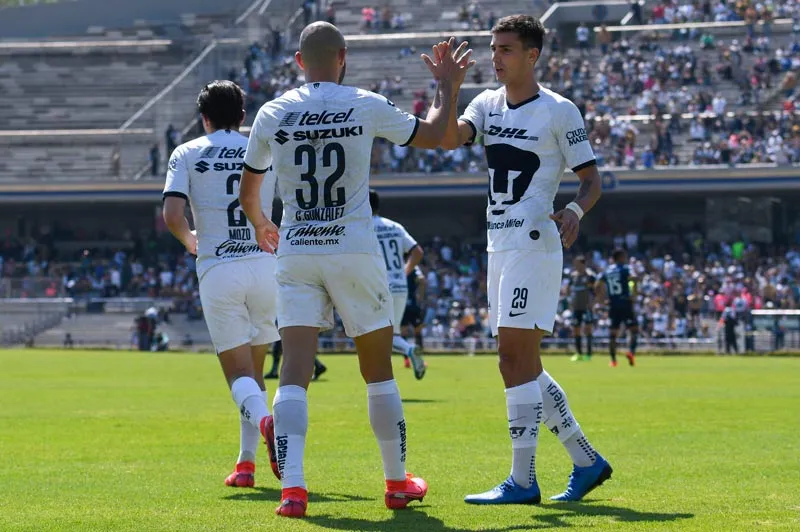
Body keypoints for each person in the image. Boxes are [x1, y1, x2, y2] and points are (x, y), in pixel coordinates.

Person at [238, 21, 472, 518]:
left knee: (295, 372)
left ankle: (294, 489)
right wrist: (447, 87)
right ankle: (395, 483)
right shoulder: (364, 102)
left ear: (299, 61)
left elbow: (249, 187)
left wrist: (262, 223)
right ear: (343, 57)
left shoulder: (273, 111)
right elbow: (436, 135)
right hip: (353, 247)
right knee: (378, 371)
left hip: (297, 248)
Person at [437, 15, 611, 504]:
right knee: (523, 364)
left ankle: (523, 480)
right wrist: (449, 89)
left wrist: (575, 209)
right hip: (499, 245)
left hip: (536, 244)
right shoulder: (486, 104)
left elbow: (592, 179)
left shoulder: (559, 111)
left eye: (506, 49)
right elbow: (451, 138)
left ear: (532, 55)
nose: (496, 57)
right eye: (493, 48)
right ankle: (586, 460)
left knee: (512, 359)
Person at [162, 80, 281, 490]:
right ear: (243, 116)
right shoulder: (264, 147)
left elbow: (173, 215)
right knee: (257, 374)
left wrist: (190, 241)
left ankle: (267, 423)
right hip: (266, 267)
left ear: (204, 117)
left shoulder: (187, 152)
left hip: (220, 268)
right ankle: (246, 464)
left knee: (239, 377)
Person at [370, 189, 426, 379]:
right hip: (400, 286)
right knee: (391, 334)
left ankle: (406, 352)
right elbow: (417, 251)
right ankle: (405, 353)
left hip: (377, 286)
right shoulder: (395, 226)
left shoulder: (364, 227)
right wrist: (405, 272)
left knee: (375, 333)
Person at [596, 248, 638, 367]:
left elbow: (597, 285)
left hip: (613, 304)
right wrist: (634, 293)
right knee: (634, 330)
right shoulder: (625, 269)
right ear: (620, 257)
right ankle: (631, 352)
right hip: (625, 302)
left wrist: (601, 300)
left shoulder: (607, 271)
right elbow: (634, 278)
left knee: (613, 334)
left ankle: (613, 361)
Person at [567, 255, 596, 361]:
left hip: (586, 307)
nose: (576, 266)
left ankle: (588, 354)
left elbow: (595, 291)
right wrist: (570, 301)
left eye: (578, 264)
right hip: (576, 307)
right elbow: (568, 289)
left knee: (588, 329)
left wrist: (592, 303)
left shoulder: (590, 276)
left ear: (583, 264)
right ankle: (578, 353)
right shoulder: (573, 276)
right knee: (576, 329)